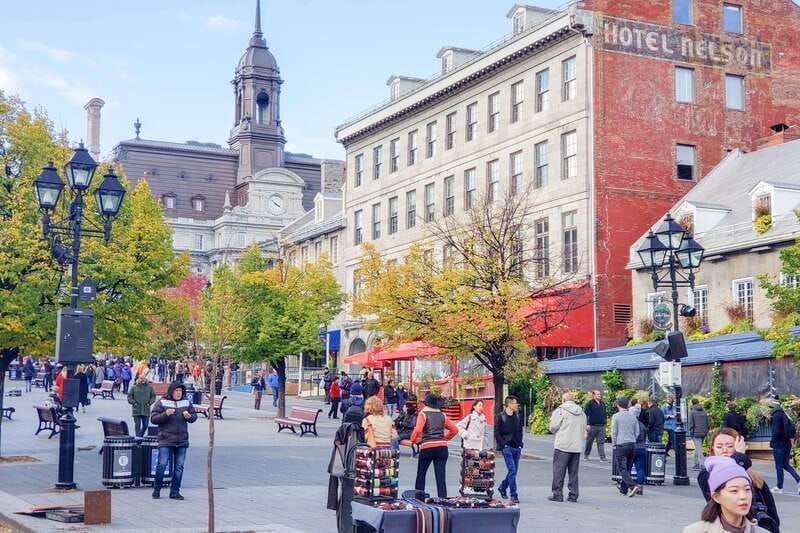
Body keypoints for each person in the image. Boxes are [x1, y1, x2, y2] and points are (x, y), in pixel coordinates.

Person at [698, 428, 780, 533]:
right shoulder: (707, 474)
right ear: (713, 449)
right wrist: (740, 457)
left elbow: (771, 509)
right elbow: (724, 474)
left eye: (730, 446)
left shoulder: (753, 476)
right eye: (719, 446)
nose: (724, 450)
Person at [683, 456, 768, 533]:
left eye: (747, 489)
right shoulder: (695, 531)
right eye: (734, 490)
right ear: (716, 497)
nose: (743, 496)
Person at [150, 382, 197, 500]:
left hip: (182, 440)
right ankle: (157, 489)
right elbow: (154, 419)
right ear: (171, 391)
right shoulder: (162, 402)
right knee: (162, 465)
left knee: (179, 467)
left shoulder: (186, 402)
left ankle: (175, 491)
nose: (178, 393)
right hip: (166, 439)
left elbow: (194, 417)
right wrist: (165, 414)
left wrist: (189, 417)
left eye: (180, 391)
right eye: (176, 391)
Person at [411, 393, 459, 498]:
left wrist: (413, 440)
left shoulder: (423, 414)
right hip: (442, 447)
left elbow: (418, 430)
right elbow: (455, 430)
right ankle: (443, 499)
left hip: (427, 447)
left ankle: (419, 498)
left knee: (421, 474)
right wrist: (444, 438)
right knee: (440, 477)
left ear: (426, 403)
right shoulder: (442, 415)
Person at [327, 405, 365, 533]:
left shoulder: (346, 429)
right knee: (347, 504)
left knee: (344, 505)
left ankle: (345, 529)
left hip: (345, 472)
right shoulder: (354, 430)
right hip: (351, 473)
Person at [548, 392, 587, 503]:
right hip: (577, 446)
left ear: (563, 400)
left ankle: (557, 494)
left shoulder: (560, 411)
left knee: (558, 471)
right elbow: (584, 428)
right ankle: (573, 495)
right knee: (573, 473)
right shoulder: (582, 412)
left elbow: (553, 427)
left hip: (562, 445)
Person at [495, 395, 524, 503]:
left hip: (517, 447)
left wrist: (520, 444)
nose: (517, 405)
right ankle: (514, 494)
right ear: (509, 404)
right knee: (512, 470)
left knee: (513, 471)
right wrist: (503, 445)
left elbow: (520, 431)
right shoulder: (500, 416)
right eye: (515, 403)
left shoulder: (517, 416)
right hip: (506, 447)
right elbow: (497, 433)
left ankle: (502, 487)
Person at [768, 399, 799, 494]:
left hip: (779, 444)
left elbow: (776, 431)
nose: (769, 410)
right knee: (785, 464)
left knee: (779, 466)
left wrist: (772, 442)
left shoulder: (776, 416)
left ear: (773, 408)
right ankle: (798, 479)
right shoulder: (784, 414)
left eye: (770, 408)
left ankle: (779, 487)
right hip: (787, 444)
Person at [611, 396, 641, 497]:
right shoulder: (633, 416)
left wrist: (614, 444)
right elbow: (637, 432)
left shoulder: (616, 416)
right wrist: (632, 439)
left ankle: (633, 486)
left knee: (622, 469)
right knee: (628, 467)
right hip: (632, 444)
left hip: (621, 444)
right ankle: (623, 489)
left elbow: (614, 432)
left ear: (618, 405)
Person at [583, 390, 607, 461]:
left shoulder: (603, 404)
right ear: (593, 395)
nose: (599, 395)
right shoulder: (589, 404)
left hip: (601, 426)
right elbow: (585, 415)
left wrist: (605, 423)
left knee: (601, 443)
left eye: (600, 394)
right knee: (589, 442)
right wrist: (587, 424)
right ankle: (586, 455)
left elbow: (604, 414)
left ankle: (602, 457)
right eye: (598, 394)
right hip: (592, 426)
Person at [689, 398, 711, 470]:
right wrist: (706, 431)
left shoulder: (692, 412)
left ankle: (702, 464)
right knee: (698, 448)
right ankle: (696, 463)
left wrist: (691, 433)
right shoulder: (704, 411)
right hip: (704, 432)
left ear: (692, 403)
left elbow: (691, 424)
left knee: (699, 449)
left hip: (696, 432)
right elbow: (708, 423)